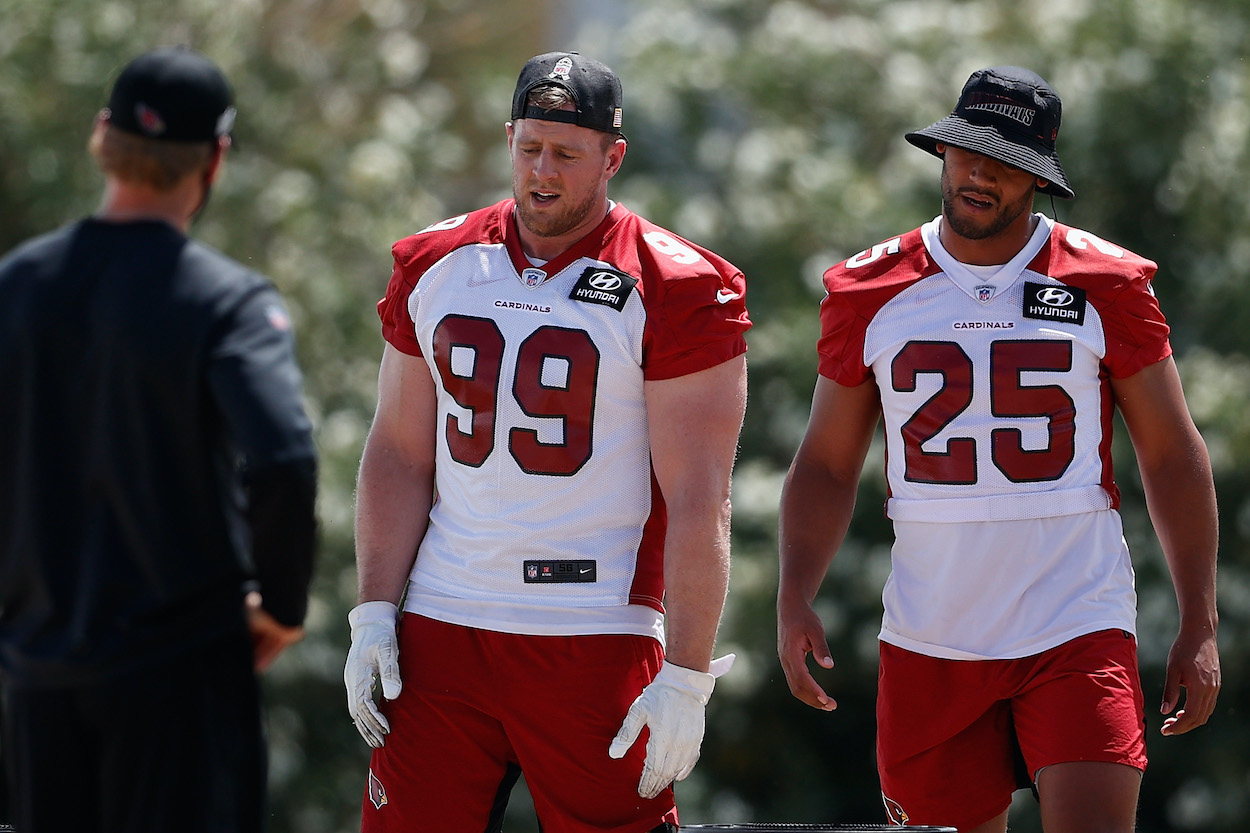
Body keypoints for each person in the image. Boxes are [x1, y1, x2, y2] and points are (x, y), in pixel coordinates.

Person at [777, 66, 1220, 833]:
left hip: (1075, 621)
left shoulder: (1106, 282)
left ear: (1039, 179)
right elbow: (826, 461)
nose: (980, 172)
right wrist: (793, 591)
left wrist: (1200, 619)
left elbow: (1172, 453)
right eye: (965, 151)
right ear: (942, 155)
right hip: (931, 633)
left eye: (1006, 159)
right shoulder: (867, 288)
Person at [344, 50, 750, 832]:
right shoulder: (437, 261)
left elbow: (702, 498)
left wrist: (689, 673)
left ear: (612, 157)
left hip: (592, 629)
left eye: (566, 153)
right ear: (508, 140)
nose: (542, 170)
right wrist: (370, 613)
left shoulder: (675, 283)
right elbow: (398, 450)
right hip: (443, 621)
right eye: (529, 147)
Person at [0, 46, 319, 833]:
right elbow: (283, 456)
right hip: (178, 672)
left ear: (101, 136)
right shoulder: (227, 301)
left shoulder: (17, 285)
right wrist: (278, 603)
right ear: (214, 159)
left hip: (40, 670)